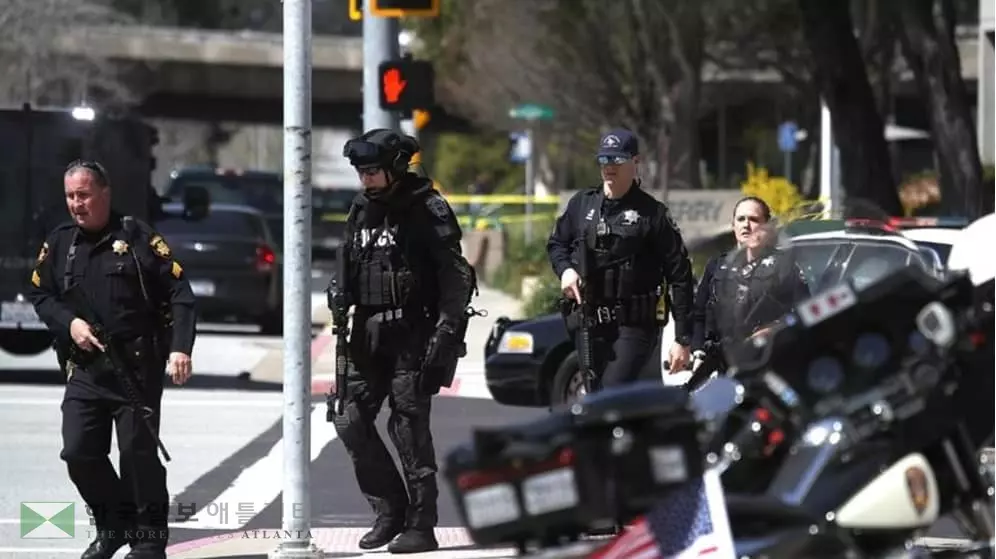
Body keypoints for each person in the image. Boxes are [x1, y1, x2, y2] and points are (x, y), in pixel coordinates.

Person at [26, 160, 196, 559]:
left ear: (105, 193)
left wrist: (180, 347)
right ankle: (113, 526)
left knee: (137, 455)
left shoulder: (136, 238)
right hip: (86, 369)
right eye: (70, 196)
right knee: (78, 451)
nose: (76, 204)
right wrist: (69, 324)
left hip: (136, 367)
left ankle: (149, 540)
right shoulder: (61, 242)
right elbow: (41, 294)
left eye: (83, 195)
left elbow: (180, 294)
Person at [329, 129, 476, 554]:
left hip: (414, 332)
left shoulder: (427, 208)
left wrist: (446, 334)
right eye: (360, 172)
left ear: (394, 167)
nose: (365, 179)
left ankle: (421, 524)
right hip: (366, 333)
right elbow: (350, 265)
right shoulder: (361, 208)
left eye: (373, 171)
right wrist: (338, 295)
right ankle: (389, 510)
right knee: (349, 419)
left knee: (408, 427)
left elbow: (456, 277)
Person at [547, 128, 696, 390]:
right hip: (589, 320)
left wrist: (683, 338)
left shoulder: (653, 214)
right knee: (593, 394)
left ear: (635, 162)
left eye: (616, 160)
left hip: (634, 324)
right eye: (604, 160)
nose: (609, 167)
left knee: (612, 391)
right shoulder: (582, 204)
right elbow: (557, 243)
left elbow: (680, 275)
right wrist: (566, 271)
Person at [708, 196, 810, 347]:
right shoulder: (718, 265)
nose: (746, 225)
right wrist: (697, 350)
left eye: (754, 219)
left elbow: (805, 312)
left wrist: (773, 329)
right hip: (724, 356)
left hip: (768, 354)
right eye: (741, 219)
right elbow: (701, 314)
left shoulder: (784, 265)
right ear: (733, 225)